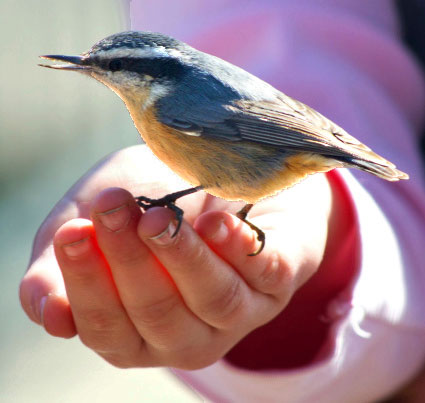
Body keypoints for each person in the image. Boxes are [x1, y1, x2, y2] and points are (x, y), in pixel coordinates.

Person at [20, 0, 425, 401]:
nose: (101, 72)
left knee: (205, 184)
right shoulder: (179, 91)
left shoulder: (168, 106)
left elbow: (250, 139)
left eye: (114, 67)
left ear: (151, 74)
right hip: (299, 143)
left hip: (276, 145)